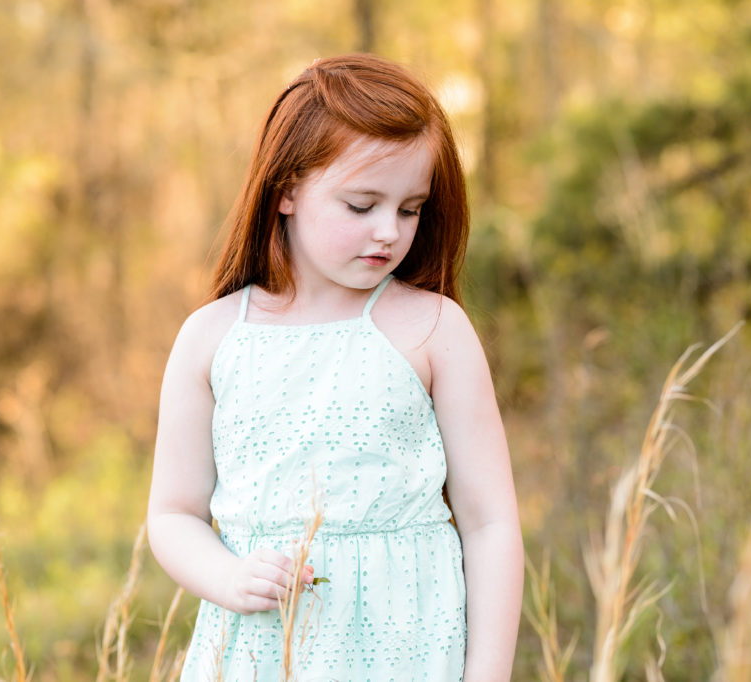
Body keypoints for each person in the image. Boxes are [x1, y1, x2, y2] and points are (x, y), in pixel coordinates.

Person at [147, 53, 523, 682]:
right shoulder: (211, 338)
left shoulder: (432, 329)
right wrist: (228, 577)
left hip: (411, 649)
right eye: (361, 205)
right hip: (265, 650)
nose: (389, 233)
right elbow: (173, 515)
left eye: (410, 209)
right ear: (287, 189)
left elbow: (490, 523)